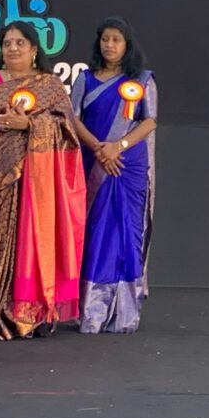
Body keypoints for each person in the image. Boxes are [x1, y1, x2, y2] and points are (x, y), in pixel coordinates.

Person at [0, 21, 86, 340]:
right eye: (7, 43)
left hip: (40, 179)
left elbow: (67, 129)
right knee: (3, 242)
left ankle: (35, 311)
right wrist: (2, 124)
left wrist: (30, 125)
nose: (13, 48)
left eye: (20, 42)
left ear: (34, 49)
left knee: (37, 237)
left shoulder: (51, 85)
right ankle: (0, 310)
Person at [71, 17, 158, 334]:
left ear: (127, 44)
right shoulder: (85, 79)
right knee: (95, 231)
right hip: (93, 161)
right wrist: (99, 148)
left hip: (127, 164)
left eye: (116, 40)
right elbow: (73, 118)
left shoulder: (143, 80)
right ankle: (91, 312)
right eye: (105, 39)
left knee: (127, 230)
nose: (109, 45)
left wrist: (117, 147)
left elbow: (149, 121)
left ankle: (124, 312)